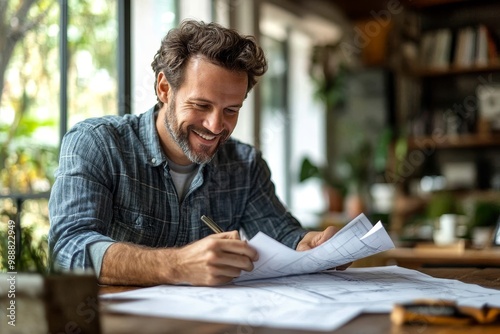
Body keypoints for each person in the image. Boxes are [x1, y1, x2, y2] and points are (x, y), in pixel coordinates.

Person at [48, 19, 348, 287]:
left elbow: (282, 235)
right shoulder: (97, 144)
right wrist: (178, 265)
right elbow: (68, 249)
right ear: (164, 88)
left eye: (231, 110)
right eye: (201, 105)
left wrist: (312, 247)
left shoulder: (245, 164)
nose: (216, 126)